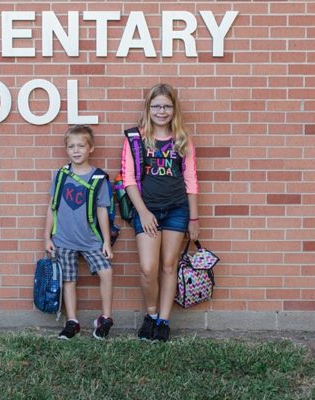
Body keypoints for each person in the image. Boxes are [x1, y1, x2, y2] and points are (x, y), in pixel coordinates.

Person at [121, 83, 199, 342]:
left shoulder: (182, 139)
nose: (161, 111)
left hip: (177, 210)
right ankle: (151, 315)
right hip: (147, 211)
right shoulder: (135, 139)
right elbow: (129, 180)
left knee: (168, 265)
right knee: (147, 267)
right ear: (148, 108)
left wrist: (194, 218)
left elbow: (191, 179)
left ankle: (164, 321)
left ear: (174, 109)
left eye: (166, 106)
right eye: (156, 106)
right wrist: (142, 211)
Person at [44, 124, 114, 340]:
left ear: (90, 148)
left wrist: (106, 242)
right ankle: (72, 321)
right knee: (69, 280)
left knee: (106, 272)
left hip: (91, 239)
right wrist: (47, 236)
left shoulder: (98, 178)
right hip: (63, 239)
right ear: (66, 149)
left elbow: (103, 210)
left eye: (81, 146)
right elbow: (52, 206)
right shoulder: (61, 175)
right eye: (71, 146)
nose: (76, 150)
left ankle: (105, 318)